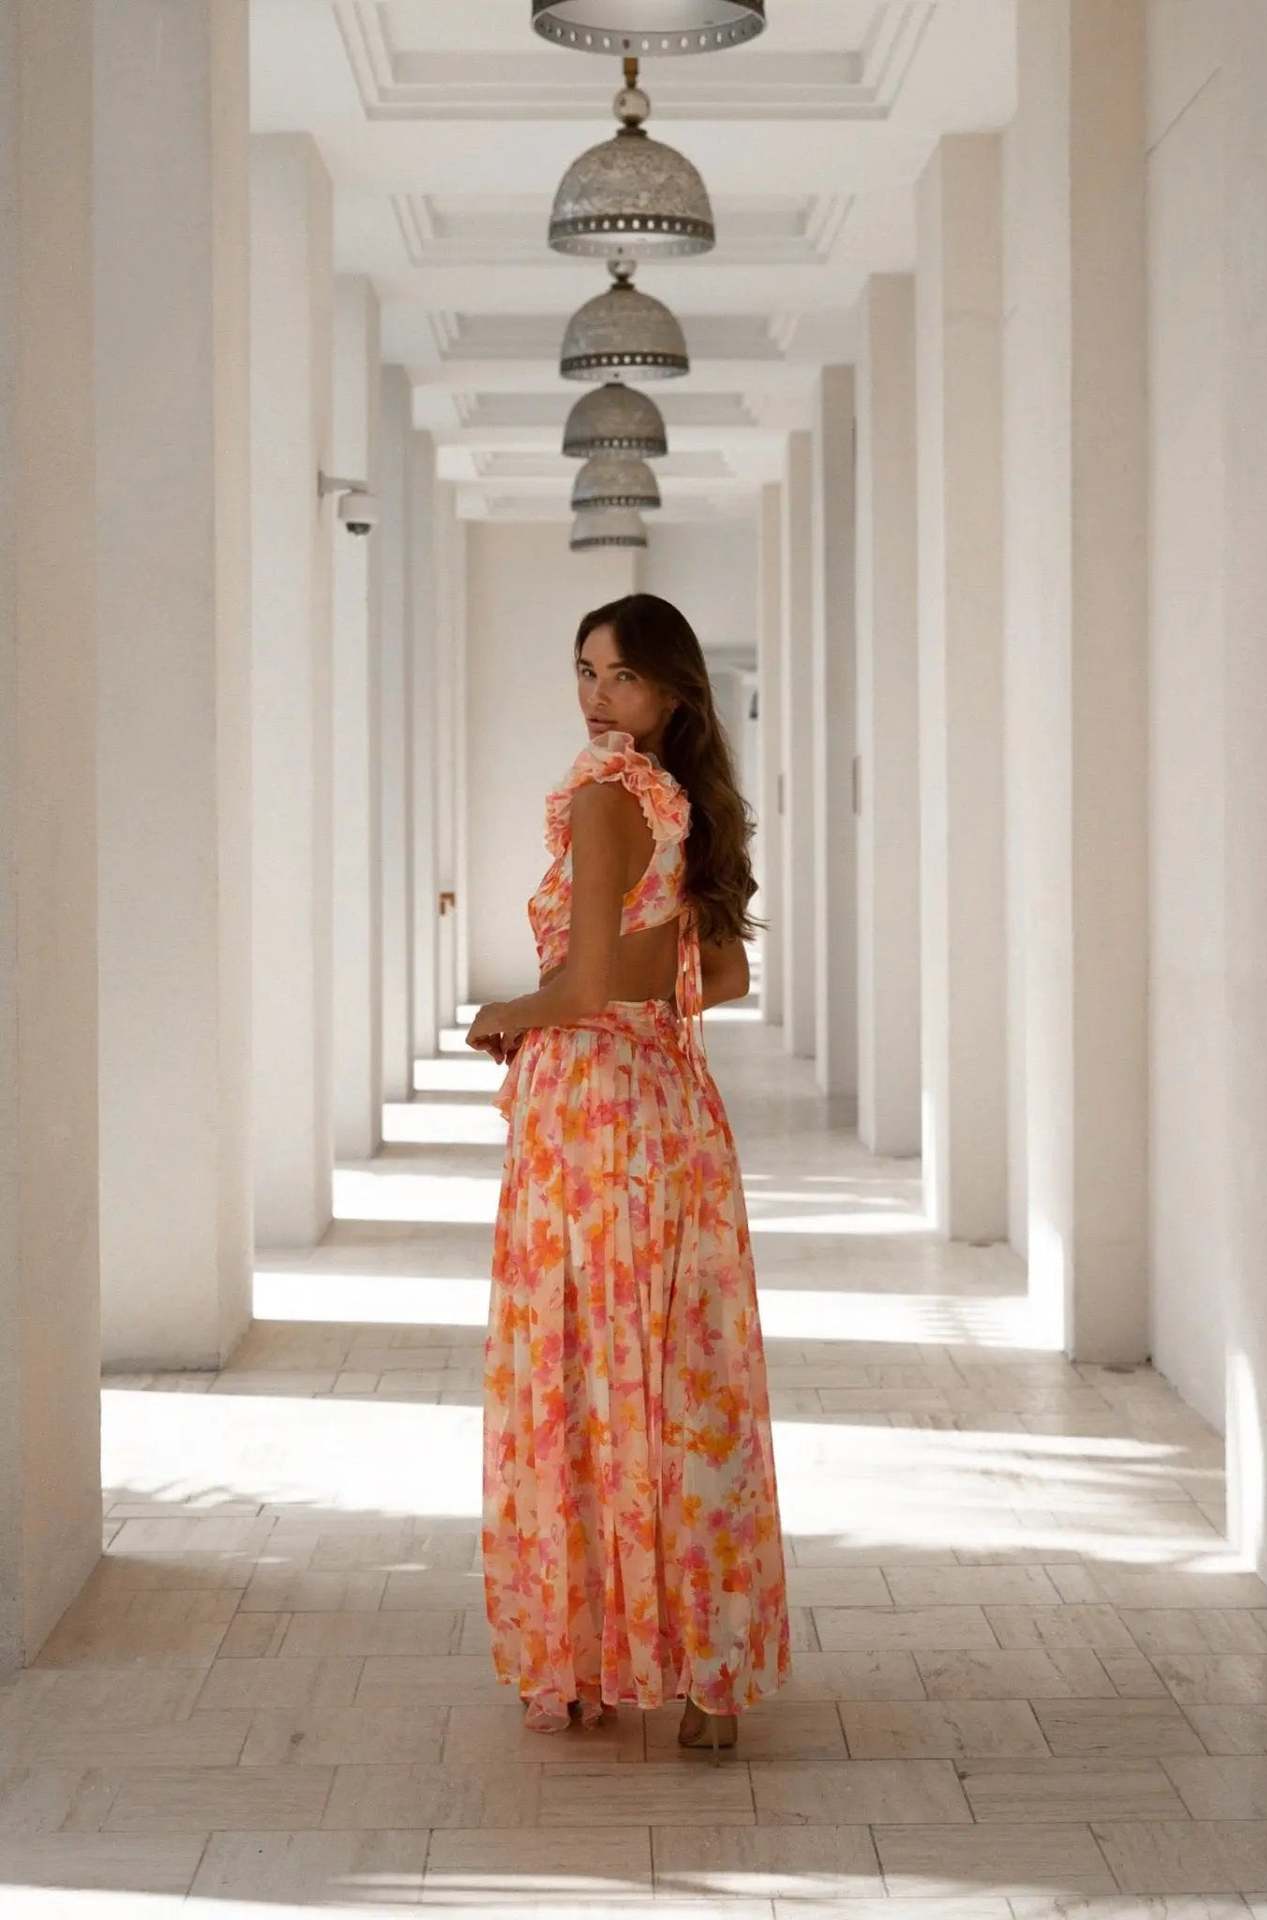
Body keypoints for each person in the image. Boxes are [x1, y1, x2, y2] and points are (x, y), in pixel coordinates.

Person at [466, 591, 790, 1761]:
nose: (595, 696)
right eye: (584, 670)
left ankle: (592, 1660)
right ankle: (710, 1676)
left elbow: (584, 988)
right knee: (684, 1382)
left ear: (670, 692)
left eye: (618, 676)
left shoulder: (606, 797)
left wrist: (505, 1010)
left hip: (590, 1117)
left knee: (580, 1377)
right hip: (674, 1109)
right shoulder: (691, 807)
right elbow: (723, 981)